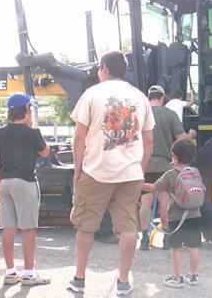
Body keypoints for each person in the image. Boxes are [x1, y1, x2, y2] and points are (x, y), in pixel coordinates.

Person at [67, 51, 155, 296]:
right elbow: (148, 140)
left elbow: (79, 136)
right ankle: (124, 281)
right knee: (128, 227)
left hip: (96, 170)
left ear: (104, 68)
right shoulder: (140, 97)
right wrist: (141, 168)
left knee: (86, 226)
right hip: (130, 173)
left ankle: (79, 278)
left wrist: (77, 169)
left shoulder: (92, 94)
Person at [0, 92, 51, 286]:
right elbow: (45, 152)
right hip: (25, 182)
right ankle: (29, 273)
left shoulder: (0, 133)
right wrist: (33, 127)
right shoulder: (32, 133)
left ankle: (10, 271)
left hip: (6, 183)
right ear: (26, 111)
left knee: (8, 227)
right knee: (28, 228)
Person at [139, 85, 195, 251]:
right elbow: (182, 140)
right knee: (165, 203)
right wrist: (191, 135)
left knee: (145, 203)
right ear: (163, 98)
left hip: (145, 165)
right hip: (164, 166)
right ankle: (166, 239)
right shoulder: (169, 115)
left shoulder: (141, 115)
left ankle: (144, 238)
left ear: (148, 97)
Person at [141, 139, 202, 288]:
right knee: (193, 247)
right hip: (195, 215)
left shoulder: (170, 175)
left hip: (176, 217)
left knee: (176, 248)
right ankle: (193, 276)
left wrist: (136, 184)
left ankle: (177, 277)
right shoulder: (195, 172)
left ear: (174, 156)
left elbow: (154, 188)